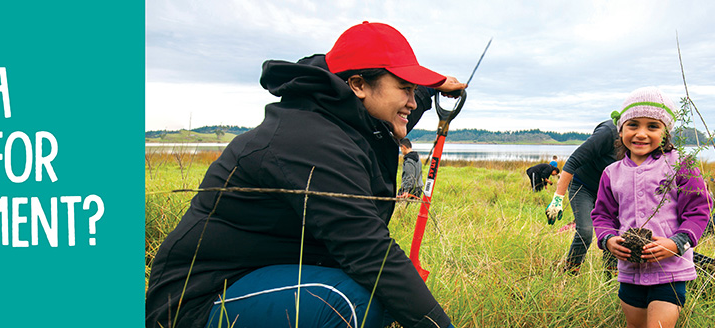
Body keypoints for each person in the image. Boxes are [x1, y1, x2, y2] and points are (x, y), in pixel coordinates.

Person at [145, 22, 466, 328]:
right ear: (357, 84)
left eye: (413, 90)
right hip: (196, 303)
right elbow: (370, 254)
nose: (411, 101)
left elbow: (392, 114)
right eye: (404, 89)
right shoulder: (309, 142)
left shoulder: (351, 115)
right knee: (353, 301)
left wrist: (433, 86)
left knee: (379, 298)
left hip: (263, 275)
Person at [592, 87, 712, 328]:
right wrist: (608, 240)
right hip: (629, 271)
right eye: (633, 125)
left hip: (671, 270)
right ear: (621, 129)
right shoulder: (611, 173)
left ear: (665, 132)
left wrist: (676, 244)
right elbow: (603, 215)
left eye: (652, 126)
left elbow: (698, 211)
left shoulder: (681, 165)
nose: (641, 134)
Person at [546, 119, 619, 275]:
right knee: (585, 231)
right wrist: (557, 199)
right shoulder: (609, 132)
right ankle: (570, 273)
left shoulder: (644, 142)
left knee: (614, 231)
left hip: (610, 192)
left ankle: (611, 277)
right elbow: (572, 162)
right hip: (583, 185)